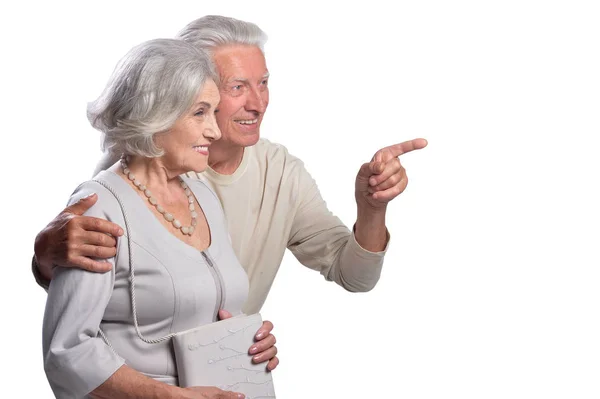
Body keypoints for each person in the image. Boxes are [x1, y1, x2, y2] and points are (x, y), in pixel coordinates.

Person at [33, 15, 427, 315]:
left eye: (264, 83)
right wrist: (45, 258)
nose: (258, 103)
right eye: (237, 87)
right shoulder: (138, 172)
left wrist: (372, 208)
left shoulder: (280, 172)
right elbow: (79, 305)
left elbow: (354, 276)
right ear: (189, 87)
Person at [43, 38, 274, 399]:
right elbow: (68, 352)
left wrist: (249, 341)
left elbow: (208, 313)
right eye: (200, 112)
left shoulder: (204, 198)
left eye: (214, 112)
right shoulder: (100, 206)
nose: (214, 130)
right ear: (155, 113)